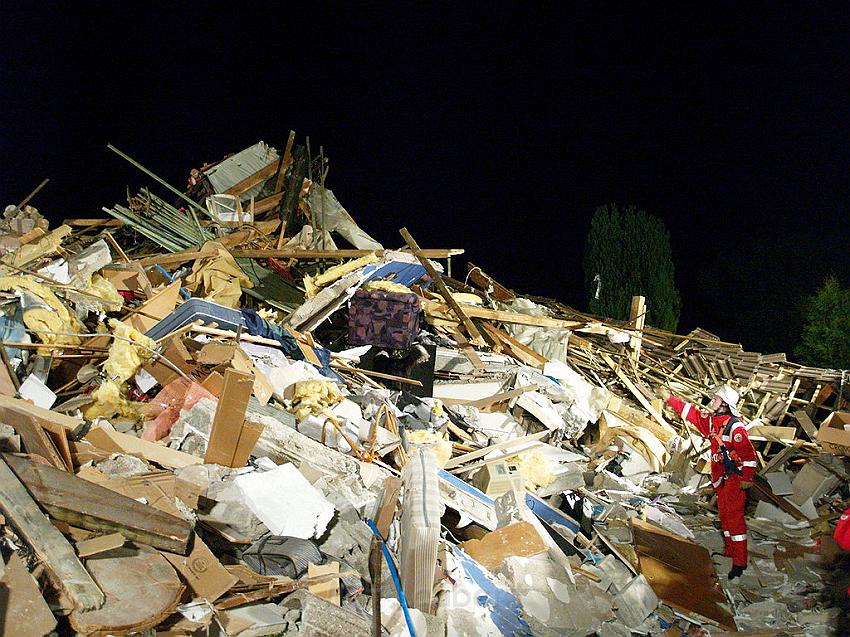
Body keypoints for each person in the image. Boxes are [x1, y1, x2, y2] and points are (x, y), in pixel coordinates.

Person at [658, 383, 757, 579]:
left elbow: (748, 453)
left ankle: (739, 562)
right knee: (725, 517)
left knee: (735, 520)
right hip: (722, 476)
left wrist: (747, 477)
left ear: (725, 404)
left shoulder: (735, 427)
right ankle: (730, 553)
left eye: (716, 399)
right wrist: (670, 398)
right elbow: (692, 414)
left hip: (735, 477)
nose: (712, 401)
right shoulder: (714, 421)